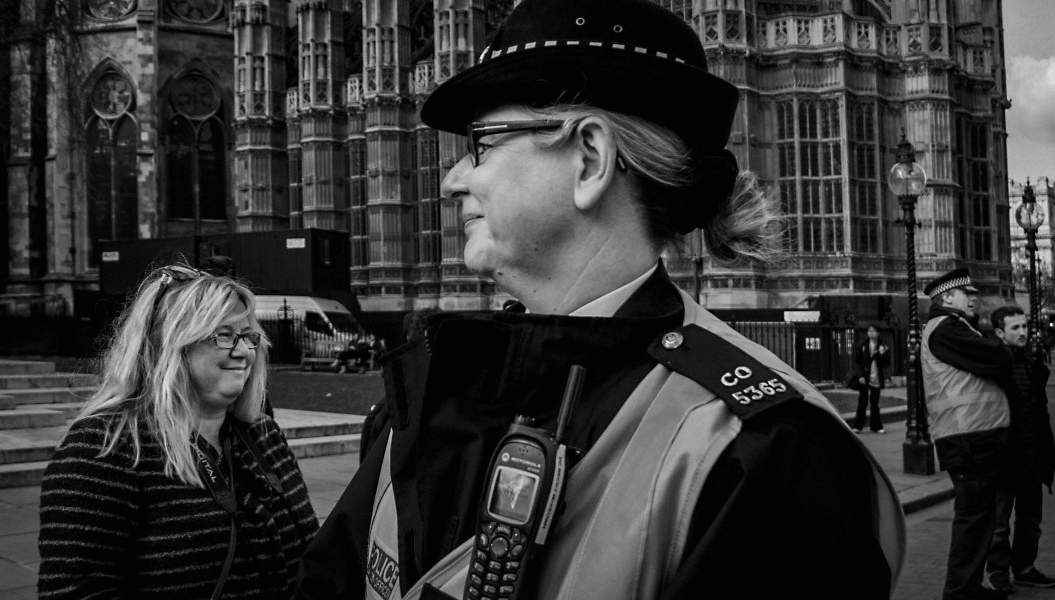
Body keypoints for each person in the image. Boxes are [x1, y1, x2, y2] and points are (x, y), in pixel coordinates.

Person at [295, 0, 905, 598]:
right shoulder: (425, 393)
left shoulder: (767, 456)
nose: (454, 179)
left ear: (589, 159)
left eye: (481, 143)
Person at [38, 263, 319, 599]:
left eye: (248, 336)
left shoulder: (264, 434)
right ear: (170, 344)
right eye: (225, 335)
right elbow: (75, 591)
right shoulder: (101, 448)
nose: (244, 352)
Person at [921, 267, 1014, 600]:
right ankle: (960, 591)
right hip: (965, 438)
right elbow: (997, 359)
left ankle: (969, 587)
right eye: (967, 294)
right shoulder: (945, 328)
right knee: (973, 519)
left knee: (981, 519)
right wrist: (1002, 350)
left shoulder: (959, 327)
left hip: (976, 437)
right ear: (948, 297)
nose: (973, 298)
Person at [985, 305, 1055, 593]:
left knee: (1030, 519)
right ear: (1000, 332)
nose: (1023, 332)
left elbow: (1038, 409)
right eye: (1016, 328)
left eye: (1025, 327)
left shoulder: (1029, 361)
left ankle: (1024, 567)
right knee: (999, 523)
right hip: (1005, 454)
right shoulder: (994, 364)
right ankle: (998, 572)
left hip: (1031, 452)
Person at [853, 324, 891, 434]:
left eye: (874, 331)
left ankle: (876, 426)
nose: (871, 333)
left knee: (874, 403)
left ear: (878, 333)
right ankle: (858, 426)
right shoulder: (863, 345)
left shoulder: (882, 346)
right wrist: (860, 375)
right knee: (862, 402)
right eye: (869, 330)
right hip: (865, 378)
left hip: (876, 378)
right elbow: (856, 362)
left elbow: (886, 364)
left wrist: (882, 354)